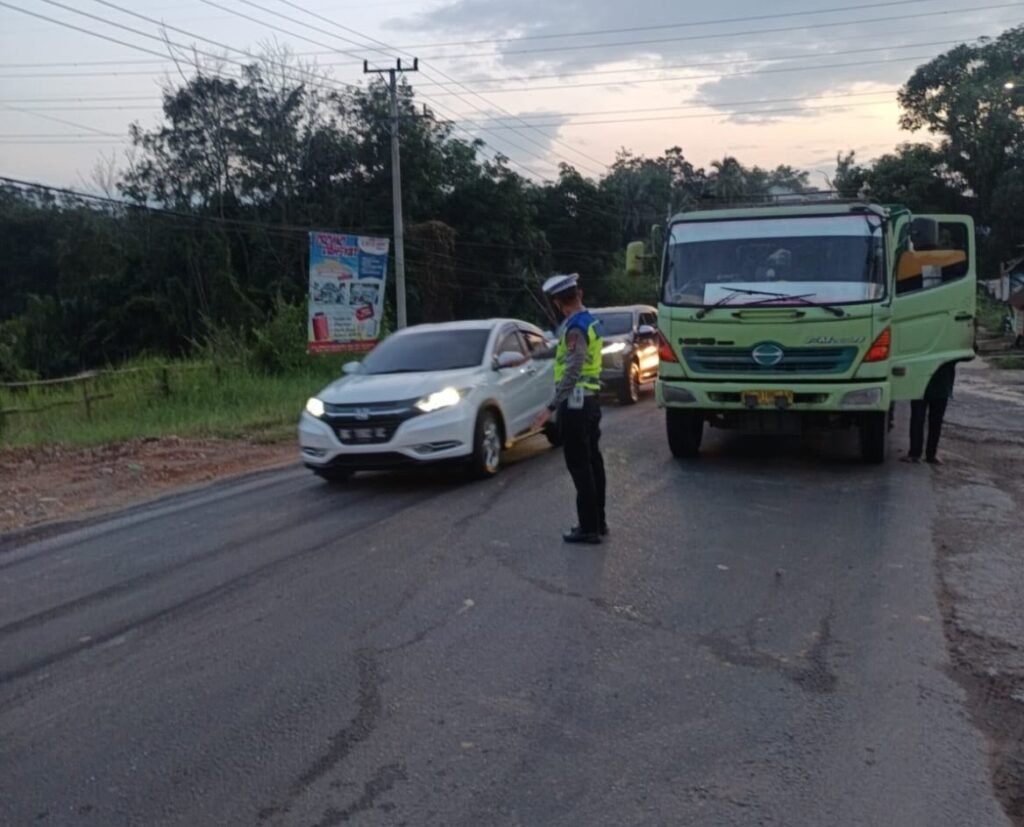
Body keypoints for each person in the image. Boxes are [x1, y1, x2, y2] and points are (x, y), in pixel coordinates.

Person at [531, 274, 607, 544]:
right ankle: (599, 522)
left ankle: (588, 528)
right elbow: (561, 353)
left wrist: (551, 406)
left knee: (580, 465)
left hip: (576, 403)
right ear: (580, 294)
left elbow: (573, 368)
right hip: (591, 400)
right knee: (592, 461)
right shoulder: (588, 321)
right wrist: (530, 356)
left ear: (557, 303)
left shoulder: (575, 328)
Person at [903, 362, 956, 465]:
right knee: (923, 420)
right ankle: (921, 454)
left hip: (933, 384)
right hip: (929, 384)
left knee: (925, 420)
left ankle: (923, 454)